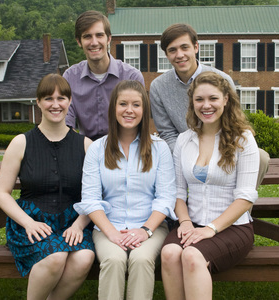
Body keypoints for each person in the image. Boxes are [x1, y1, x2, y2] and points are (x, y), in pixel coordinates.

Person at [0, 74, 95, 300]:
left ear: (70, 102)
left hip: (73, 223)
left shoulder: (86, 145)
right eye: (48, 98)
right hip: (32, 222)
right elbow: (1, 193)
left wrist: (79, 225)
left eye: (62, 98)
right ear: (38, 102)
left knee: (84, 257)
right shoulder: (21, 142)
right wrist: (28, 222)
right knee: (55, 256)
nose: (55, 104)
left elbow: (95, 195)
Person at [74, 80, 176, 300]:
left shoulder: (160, 149)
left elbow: (165, 198)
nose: (129, 110)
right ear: (114, 108)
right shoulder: (97, 149)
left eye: (136, 105)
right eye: (123, 104)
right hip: (108, 227)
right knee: (114, 259)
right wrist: (111, 233)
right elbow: (90, 199)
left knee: (140, 259)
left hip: (150, 227)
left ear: (144, 110)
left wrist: (145, 230)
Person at [161, 72, 259, 300]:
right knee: (169, 253)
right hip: (192, 222)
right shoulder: (184, 140)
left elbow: (245, 197)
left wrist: (210, 229)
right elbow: (177, 192)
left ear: (226, 99)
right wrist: (185, 222)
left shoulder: (242, 139)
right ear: (192, 102)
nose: (206, 105)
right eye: (199, 99)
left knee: (192, 257)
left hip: (232, 228)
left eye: (213, 98)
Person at [150, 23, 269, 186]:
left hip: (223, 145)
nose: (180, 55)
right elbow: (168, 134)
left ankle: (241, 208)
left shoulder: (223, 80)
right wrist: (192, 154)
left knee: (261, 157)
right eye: (172, 50)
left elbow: (234, 122)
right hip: (183, 149)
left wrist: (213, 153)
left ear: (196, 47)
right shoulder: (158, 86)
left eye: (185, 47)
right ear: (166, 54)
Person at [63, 10, 145, 141]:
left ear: (109, 38)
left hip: (124, 148)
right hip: (84, 149)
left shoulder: (132, 76)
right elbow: (66, 124)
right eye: (87, 36)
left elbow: (139, 125)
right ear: (79, 41)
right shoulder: (69, 77)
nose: (94, 42)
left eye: (99, 35)